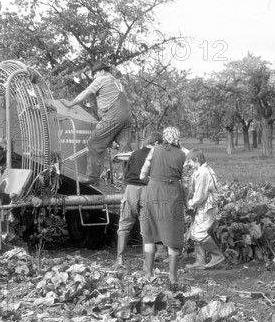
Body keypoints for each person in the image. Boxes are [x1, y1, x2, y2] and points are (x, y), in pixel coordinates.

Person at [61, 61, 132, 185]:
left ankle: (92, 177)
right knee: (126, 151)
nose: (94, 77)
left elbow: (86, 93)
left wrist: (70, 103)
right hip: (127, 116)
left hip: (113, 115)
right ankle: (131, 181)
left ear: (102, 71)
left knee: (93, 143)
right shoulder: (119, 83)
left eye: (95, 74)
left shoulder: (102, 79)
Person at [139, 126, 186, 287]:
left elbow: (143, 173)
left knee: (150, 231)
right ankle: (172, 277)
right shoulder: (183, 154)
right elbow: (185, 178)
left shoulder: (155, 150)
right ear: (177, 137)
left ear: (165, 137)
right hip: (172, 193)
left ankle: (148, 274)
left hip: (153, 192)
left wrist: (152, 181)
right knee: (172, 232)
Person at [113, 131, 163, 269]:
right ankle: (146, 264)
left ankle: (120, 260)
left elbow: (126, 172)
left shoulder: (135, 153)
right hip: (147, 189)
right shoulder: (157, 155)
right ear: (157, 143)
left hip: (131, 189)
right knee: (146, 228)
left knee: (124, 224)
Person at [184, 149, 226, 269]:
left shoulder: (203, 173)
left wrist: (189, 205)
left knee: (199, 232)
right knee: (194, 231)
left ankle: (217, 255)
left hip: (207, 207)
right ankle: (200, 261)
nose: (188, 164)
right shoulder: (201, 171)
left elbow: (200, 196)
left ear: (196, 160)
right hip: (205, 206)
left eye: (190, 161)